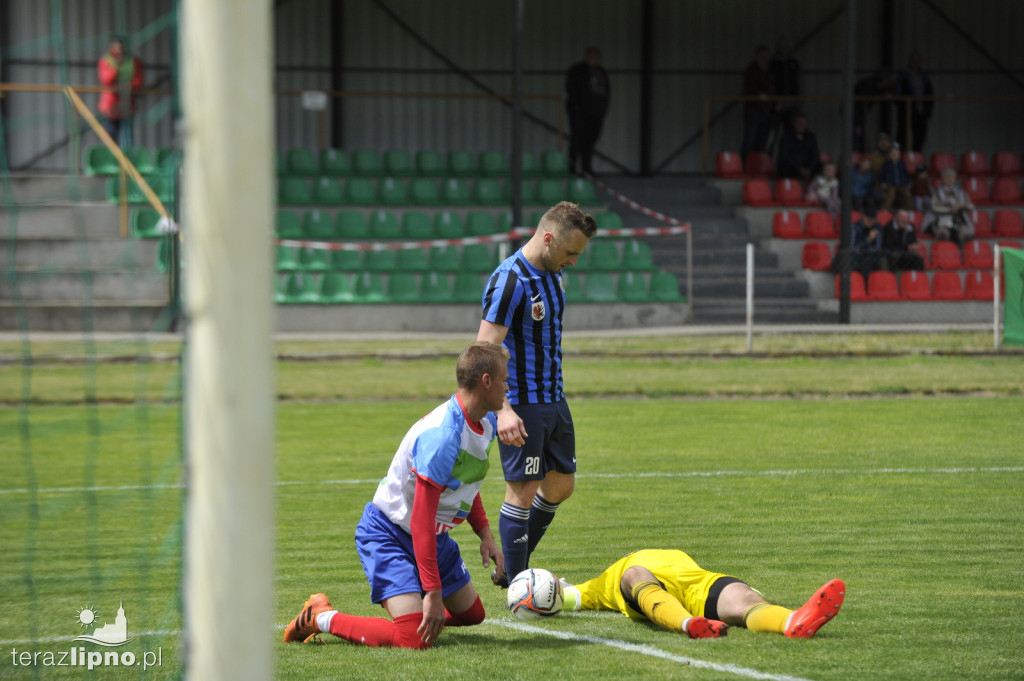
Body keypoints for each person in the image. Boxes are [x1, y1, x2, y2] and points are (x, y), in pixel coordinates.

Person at [282, 341, 510, 649]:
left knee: (473, 614)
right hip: (388, 532)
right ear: (486, 381)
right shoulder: (444, 436)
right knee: (412, 641)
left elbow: (464, 483)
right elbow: (420, 521)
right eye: (504, 380)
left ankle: (414, 616)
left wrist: (485, 534)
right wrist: (432, 592)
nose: (507, 387)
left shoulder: (485, 422)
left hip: (432, 538)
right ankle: (320, 617)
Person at [477, 201, 598, 588]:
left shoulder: (553, 275)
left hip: (553, 399)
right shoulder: (509, 279)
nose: (574, 261)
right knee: (523, 492)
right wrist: (504, 410)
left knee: (562, 484)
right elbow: (485, 350)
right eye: (570, 252)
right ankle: (518, 584)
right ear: (548, 238)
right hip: (521, 404)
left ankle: (515, 566)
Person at [560, 549, 845, 640]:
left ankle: (792, 621)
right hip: (652, 592)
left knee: (746, 600)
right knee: (634, 573)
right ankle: (688, 624)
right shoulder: (596, 587)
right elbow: (564, 597)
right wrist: (538, 595)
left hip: (700, 584)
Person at [565, 47, 611, 176]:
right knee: (577, 139)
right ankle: (572, 168)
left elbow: (607, 92)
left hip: (596, 114)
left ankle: (587, 168)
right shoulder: (577, 70)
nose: (594, 58)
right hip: (579, 113)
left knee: (591, 141)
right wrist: (577, 108)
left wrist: (603, 109)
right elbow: (570, 89)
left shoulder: (601, 72)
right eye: (591, 56)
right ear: (586, 56)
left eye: (596, 56)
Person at [96, 36, 143, 149]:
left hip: (127, 106)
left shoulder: (133, 62)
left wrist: (124, 87)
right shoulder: (106, 61)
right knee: (111, 139)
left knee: (127, 140)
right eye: (116, 48)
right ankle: (112, 163)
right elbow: (106, 80)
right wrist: (116, 67)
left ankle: (126, 164)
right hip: (110, 107)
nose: (119, 51)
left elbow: (138, 81)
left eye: (121, 48)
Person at [894, 52, 934, 152]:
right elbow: (897, 92)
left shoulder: (924, 76)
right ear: (910, 61)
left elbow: (930, 93)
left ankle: (916, 158)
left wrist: (928, 110)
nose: (916, 62)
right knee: (902, 135)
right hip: (907, 109)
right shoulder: (903, 75)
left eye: (918, 60)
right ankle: (900, 157)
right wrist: (901, 105)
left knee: (920, 136)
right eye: (914, 60)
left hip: (921, 111)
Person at [740, 45, 774, 160]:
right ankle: (745, 166)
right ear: (757, 56)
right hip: (754, 109)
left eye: (766, 55)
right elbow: (748, 87)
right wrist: (758, 94)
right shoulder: (751, 70)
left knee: (763, 139)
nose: (764, 57)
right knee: (750, 139)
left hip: (766, 110)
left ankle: (759, 166)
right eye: (761, 55)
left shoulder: (769, 71)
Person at [925, 168, 975, 244]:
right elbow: (934, 207)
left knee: (966, 234)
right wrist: (950, 209)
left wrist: (962, 205)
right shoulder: (937, 192)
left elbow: (971, 206)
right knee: (943, 234)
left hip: (958, 219)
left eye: (951, 177)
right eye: (947, 177)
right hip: (942, 220)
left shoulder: (961, 192)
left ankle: (966, 254)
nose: (949, 179)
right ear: (943, 179)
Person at [853, 68, 895, 153]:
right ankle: (855, 155)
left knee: (861, 136)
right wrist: (858, 123)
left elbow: (881, 91)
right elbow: (857, 106)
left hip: (861, 114)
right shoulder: (867, 85)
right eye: (887, 81)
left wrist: (886, 94)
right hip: (853, 113)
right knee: (856, 135)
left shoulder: (878, 86)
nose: (888, 83)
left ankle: (861, 153)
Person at [769, 38, 800, 144]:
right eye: (781, 46)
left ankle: (789, 158)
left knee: (791, 133)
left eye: (785, 46)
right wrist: (775, 100)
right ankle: (768, 157)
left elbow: (798, 82)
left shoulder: (793, 63)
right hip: (777, 103)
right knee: (772, 133)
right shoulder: (773, 63)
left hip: (791, 103)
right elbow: (770, 82)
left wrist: (797, 99)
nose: (784, 48)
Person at [776, 112, 820, 181]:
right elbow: (784, 156)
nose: (801, 125)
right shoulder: (787, 136)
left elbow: (815, 155)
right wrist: (799, 169)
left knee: (823, 167)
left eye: (804, 123)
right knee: (785, 166)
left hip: (807, 168)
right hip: (793, 168)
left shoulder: (811, 137)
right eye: (799, 123)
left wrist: (809, 169)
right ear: (794, 123)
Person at [878, 144, 913, 211]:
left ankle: (910, 210)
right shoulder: (886, 164)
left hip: (902, 184)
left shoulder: (902, 164)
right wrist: (882, 182)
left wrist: (909, 182)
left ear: (899, 155)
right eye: (893, 153)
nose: (895, 155)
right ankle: (884, 210)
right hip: (891, 184)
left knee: (907, 194)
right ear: (889, 155)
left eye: (896, 153)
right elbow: (882, 175)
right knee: (890, 196)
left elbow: (906, 174)